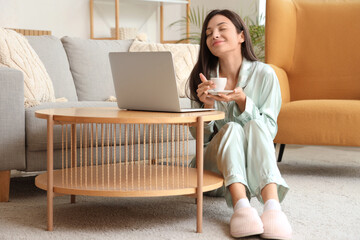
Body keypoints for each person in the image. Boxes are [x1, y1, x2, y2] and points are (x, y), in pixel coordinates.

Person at [187, 9, 292, 239]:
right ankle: (242, 207)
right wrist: (205, 106)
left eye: (222, 29)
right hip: (212, 172)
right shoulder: (203, 78)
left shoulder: (265, 75)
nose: (214, 35)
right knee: (232, 128)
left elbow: (269, 132)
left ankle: (273, 208)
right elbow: (201, 140)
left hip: (251, 169)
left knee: (255, 125)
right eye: (208, 33)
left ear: (241, 36)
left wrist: (244, 102)